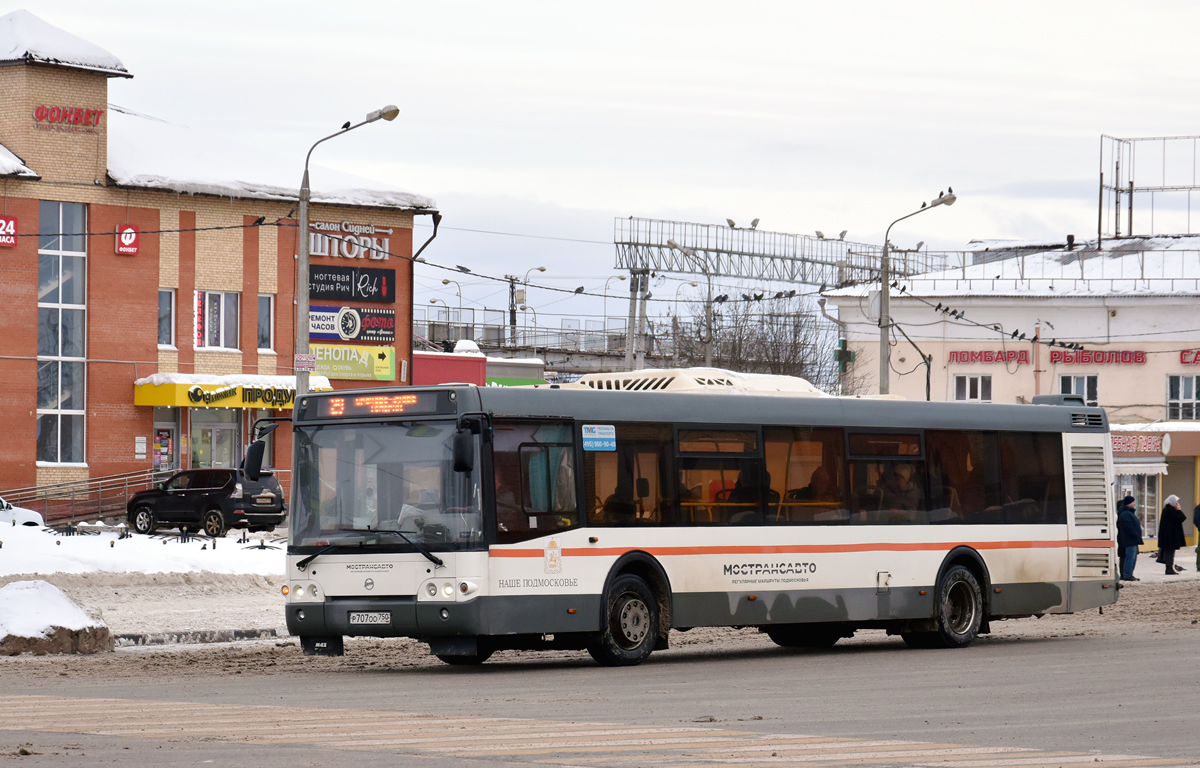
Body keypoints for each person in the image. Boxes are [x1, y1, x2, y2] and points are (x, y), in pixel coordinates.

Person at [1158, 495, 1187, 576]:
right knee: (1169, 552)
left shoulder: (1168, 509)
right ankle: (1169, 568)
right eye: (1176, 502)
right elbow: (1180, 518)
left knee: (1170, 552)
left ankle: (1169, 568)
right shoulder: (1170, 510)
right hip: (1170, 536)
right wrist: (1179, 510)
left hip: (1169, 536)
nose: (1177, 503)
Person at [1116, 495, 1142, 582]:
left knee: (1132, 557)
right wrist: (1135, 534)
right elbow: (1128, 526)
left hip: (1132, 539)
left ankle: (1129, 574)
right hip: (1130, 539)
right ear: (1128, 503)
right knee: (1130, 558)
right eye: (1133, 502)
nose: (1134, 504)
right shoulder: (1126, 513)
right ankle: (1127, 575)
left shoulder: (1128, 512)